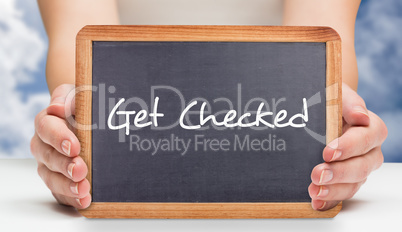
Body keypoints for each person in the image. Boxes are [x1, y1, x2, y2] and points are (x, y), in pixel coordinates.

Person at [32, 0, 387, 211]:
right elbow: (84, 58)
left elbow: (318, 53)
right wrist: (73, 135)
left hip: (283, 196)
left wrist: (339, 135)